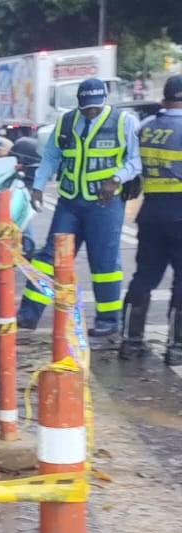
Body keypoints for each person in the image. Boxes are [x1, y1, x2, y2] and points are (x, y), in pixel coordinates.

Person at [18, 78, 144, 336]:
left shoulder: (124, 122)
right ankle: (28, 314)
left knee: (105, 263)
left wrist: (116, 178)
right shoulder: (66, 123)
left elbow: (136, 160)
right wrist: (39, 185)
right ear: (79, 103)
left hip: (104, 206)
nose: (91, 112)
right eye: (86, 108)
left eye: (95, 107)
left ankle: (108, 322)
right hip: (70, 203)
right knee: (48, 259)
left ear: (104, 100)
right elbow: (51, 157)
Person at [119, 75, 182, 364]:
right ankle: (177, 347)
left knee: (144, 276)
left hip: (151, 212)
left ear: (164, 98)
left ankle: (130, 342)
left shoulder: (145, 128)